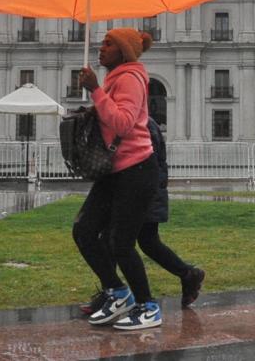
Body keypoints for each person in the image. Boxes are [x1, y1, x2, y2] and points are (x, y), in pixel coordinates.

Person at [73, 28, 162, 330]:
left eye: (109, 44)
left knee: (121, 243)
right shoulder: (115, 79)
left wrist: (95, 91)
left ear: (123, 52)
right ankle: (118, 292)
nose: (101, 47)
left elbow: (124, 123)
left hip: (137, 170)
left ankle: (149, 307)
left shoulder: (130, 78)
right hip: (115, 170)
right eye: (102, 43)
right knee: (84, 230)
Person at [80, 117, 205, 315]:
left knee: (118, 240)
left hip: (142, 193)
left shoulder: (143, 126)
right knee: (145, 242)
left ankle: (114, 295)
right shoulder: (141, 124)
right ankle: (188, 274)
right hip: (138, 192)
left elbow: (147, 165)